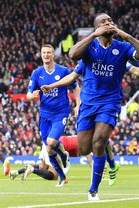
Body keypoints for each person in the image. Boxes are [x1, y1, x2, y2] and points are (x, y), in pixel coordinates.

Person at [41, 13, 139, 200]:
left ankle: (93, 189)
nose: (108, 24)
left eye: (110, 22)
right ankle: (107, 158)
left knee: (98, 142)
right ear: (97, 28)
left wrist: (127, 36)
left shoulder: (122, 48)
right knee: (84, 148)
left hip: (110, 103)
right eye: (103, 22)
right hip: (88, 104)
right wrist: (92, 35)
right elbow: (72, 56)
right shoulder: (89, 49)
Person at [27, 44, 81, 187]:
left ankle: (64, 155)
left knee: (51, 142)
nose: (46, 55)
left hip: (60, 113)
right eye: (44, 52)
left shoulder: (63, 71)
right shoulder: (37, 73)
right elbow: (28, 95)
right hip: (44, 115)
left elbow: (76, 87)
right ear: (41, 54)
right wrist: (32, 96)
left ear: (53, 55)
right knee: (49, 148)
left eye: (49, 52)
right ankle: (63, 177)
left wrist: (78, 104)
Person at [9, 136, 117, 185]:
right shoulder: (83, 144)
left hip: (50, 141)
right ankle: (31, 169)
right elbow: (90, 160)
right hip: (55, 145)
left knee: (42, 167)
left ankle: (16, 172)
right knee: (53, 175)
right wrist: (98, 175)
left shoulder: (82, 140)